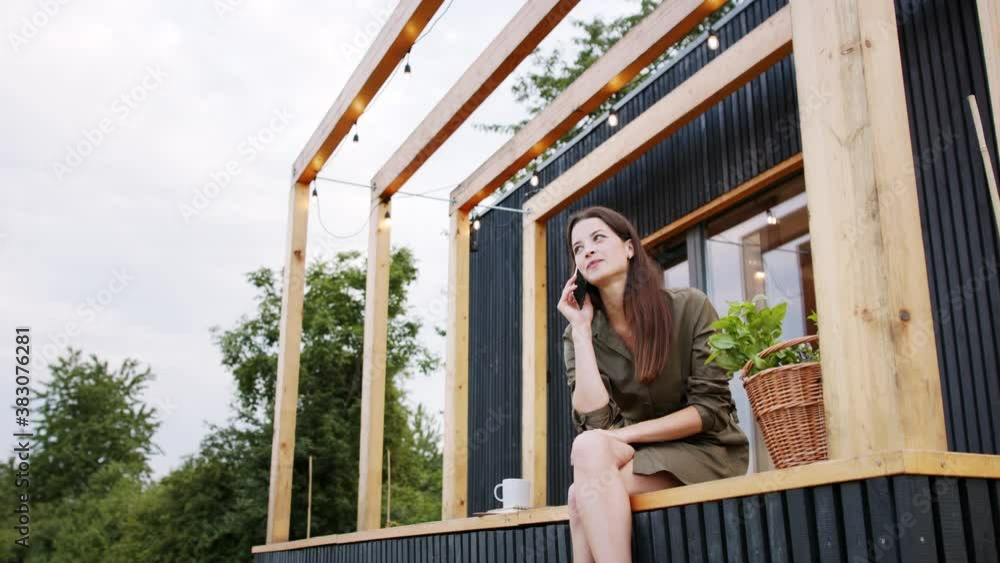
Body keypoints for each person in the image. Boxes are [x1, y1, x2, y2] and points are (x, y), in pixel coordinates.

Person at [558, 206, 748, 563]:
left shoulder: (689, 306)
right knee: (586, 456)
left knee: (580, 495)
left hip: (707, 450)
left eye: (598, 238)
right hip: (641, 455)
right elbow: (596, 424)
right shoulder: (579, 333)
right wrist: (581, 330)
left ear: (629, 247)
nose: (588, 250)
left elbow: (709, 411)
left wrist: (622, 436)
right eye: (578, 248)